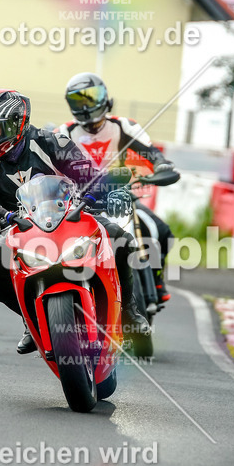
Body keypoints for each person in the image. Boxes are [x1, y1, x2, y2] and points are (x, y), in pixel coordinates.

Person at [0, 88, 149, 354]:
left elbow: (91, 177)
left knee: (121, 239)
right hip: (22, 231)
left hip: (73, 218)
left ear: (14, 125)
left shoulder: (53, 143)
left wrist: (113, 193)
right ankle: (31, 321)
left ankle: (129, 312)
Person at [58, 73, 177, 303]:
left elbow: (152, 153)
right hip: (82, 202)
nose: (86, 106)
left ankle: (157, 280)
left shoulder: (123, 126)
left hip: (121, 196)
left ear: (104, 97)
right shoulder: (65, 132)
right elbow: (49, 166)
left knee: (161, 231)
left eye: (91, 97)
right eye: (78, 100)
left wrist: (161, 165)